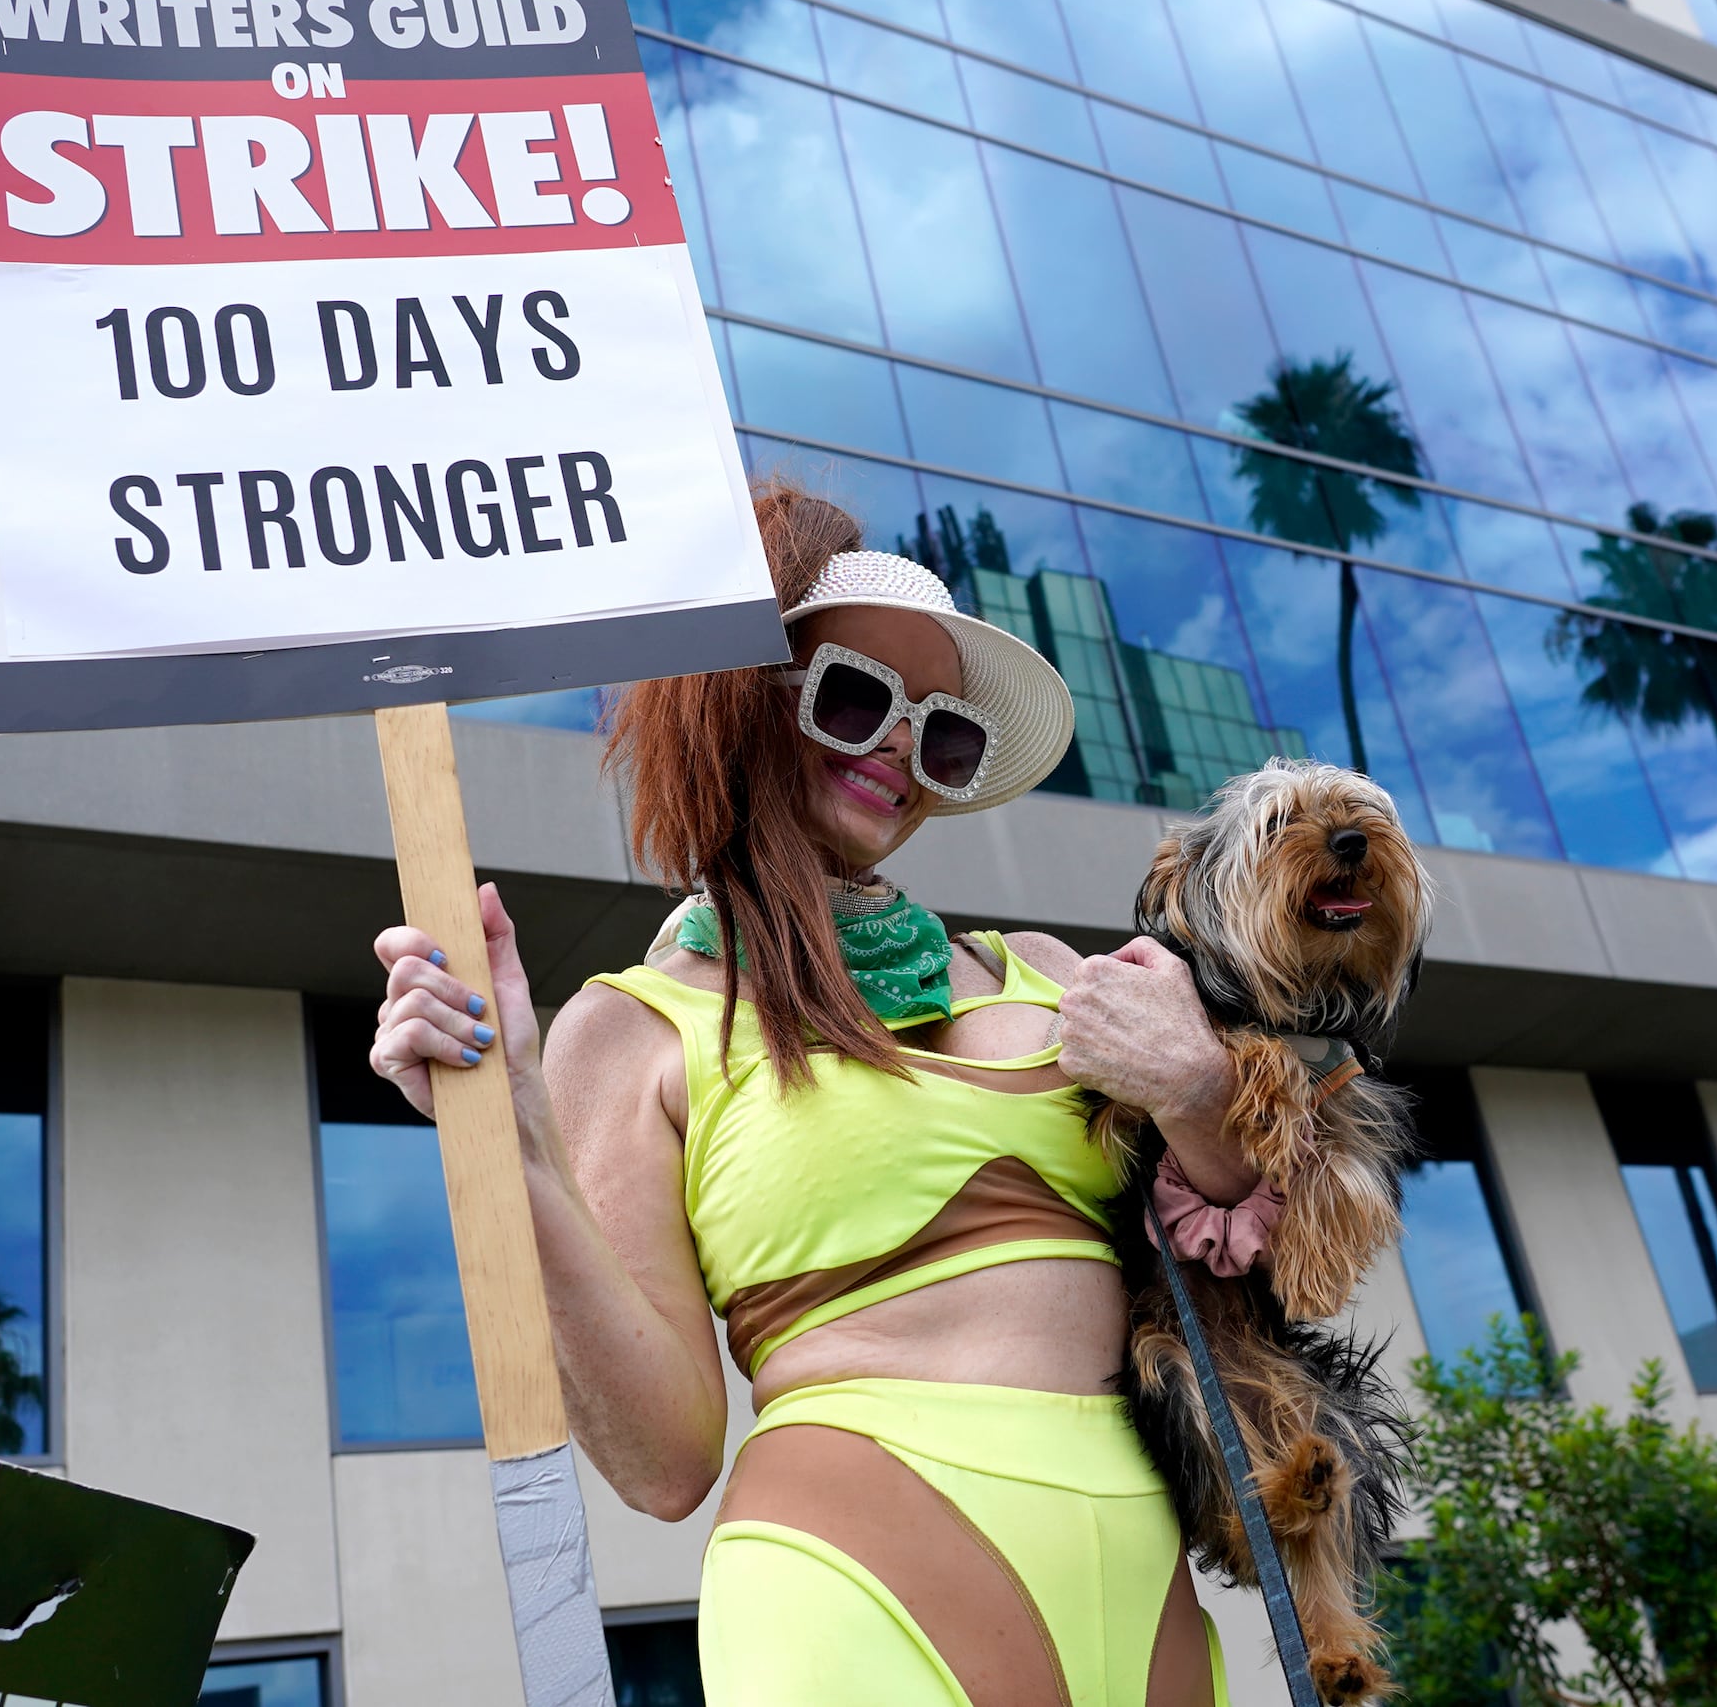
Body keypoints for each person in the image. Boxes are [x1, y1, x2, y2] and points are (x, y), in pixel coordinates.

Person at [369, 483, 1266, 1706]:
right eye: (854, 698)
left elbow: (1245, 1254)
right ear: (745, 701)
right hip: (857, 1573)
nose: (900, 749)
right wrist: (513, 1151)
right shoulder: (632, 1030)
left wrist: (1205, 1091)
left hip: (1146, 1585)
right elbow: (666, 1462)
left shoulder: (1058, 976)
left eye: (941, 732)